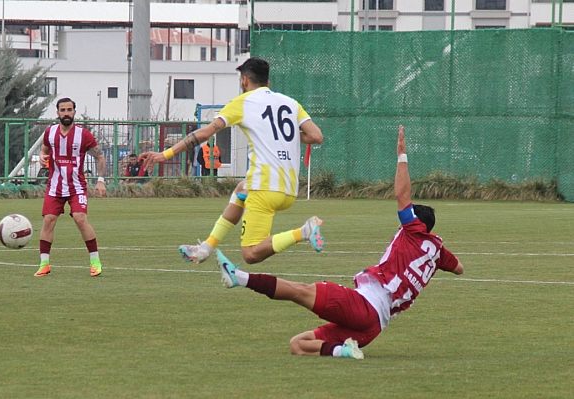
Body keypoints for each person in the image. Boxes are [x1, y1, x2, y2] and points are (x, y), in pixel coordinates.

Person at [214, 125, 465, 359]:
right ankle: (343, 352)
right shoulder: (438, 251)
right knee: (298, 344)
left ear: (416, 224)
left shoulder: (413, 230)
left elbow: (401, 194)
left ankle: (239, 278)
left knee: (299, 290)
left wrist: (402, 156)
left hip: (363, 306)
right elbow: (459, 268)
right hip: (372, 328)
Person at [141, 57, 324, 265]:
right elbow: (316, 136)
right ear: (268, 83)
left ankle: (303, 232)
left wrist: (164, 155)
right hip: (289, 189)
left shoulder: (242, 103)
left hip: (264, 187)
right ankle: (205, 248)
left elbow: (205, 133)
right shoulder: (290, 103)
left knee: (251, 253)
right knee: (240, 190)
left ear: (244, 81)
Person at [34, 97, 107, 277]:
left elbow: (101, 156)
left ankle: (95, 261)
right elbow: (44, 150)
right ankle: (44, 264)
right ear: (57, 113)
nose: (66, 113)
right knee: (48, 220)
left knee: (80, 218)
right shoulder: (50, 132)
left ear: (74, 112)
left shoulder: (83, 134)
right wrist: (43, 157)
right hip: (55, 186)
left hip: (76, 186)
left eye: (69, 110)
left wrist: (100, 180)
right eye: (63, 110)